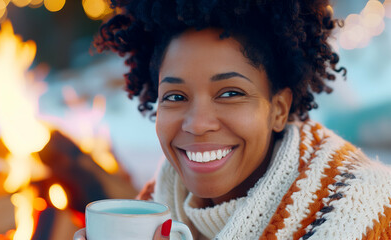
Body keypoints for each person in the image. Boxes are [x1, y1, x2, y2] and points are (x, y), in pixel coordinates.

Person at [74, 0, 391, 239]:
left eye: (229, 94)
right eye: (175, 96)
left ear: (278, 109)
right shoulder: (158, 205)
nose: (197, 124)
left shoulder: (366, 214)